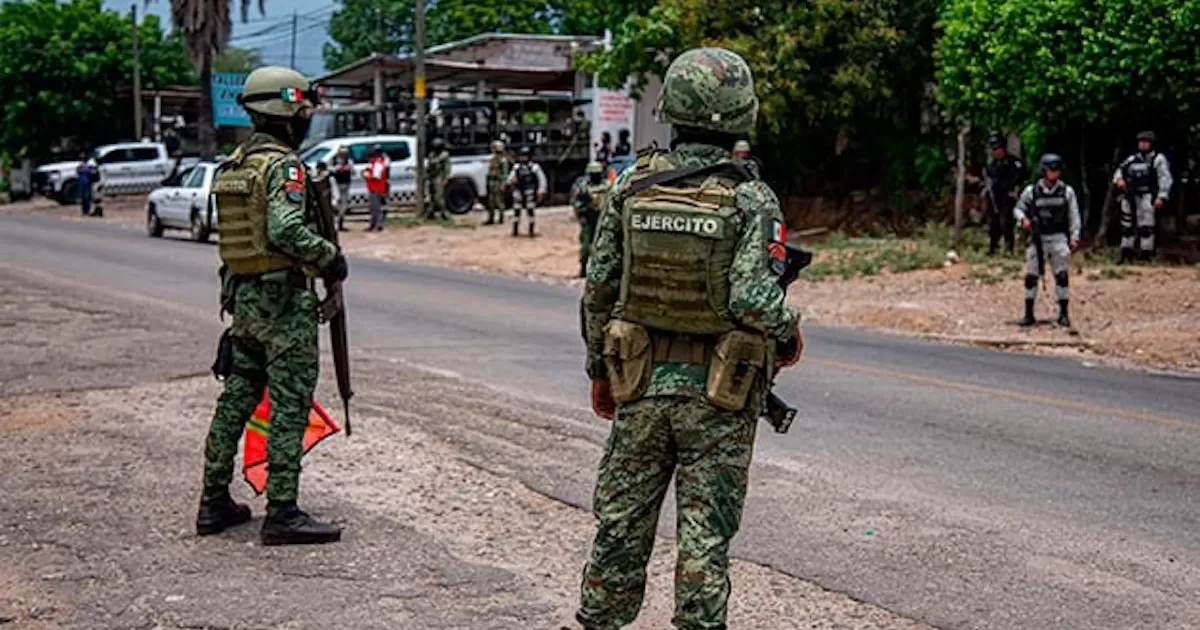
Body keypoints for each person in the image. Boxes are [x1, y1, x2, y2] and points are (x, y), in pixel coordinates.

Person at [576, 47, 802, 630]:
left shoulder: (631, 184)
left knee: (621, 522)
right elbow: (752, 298)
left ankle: (600, 621)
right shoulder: (751, 197)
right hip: (718, 398)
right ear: (741, 113)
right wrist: (790, 328)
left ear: (672, 107)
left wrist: (600, 373)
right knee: (704, 533)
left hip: (640, 384)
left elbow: (598, 290)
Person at [198, 66, 347, 546]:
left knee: (237, 396)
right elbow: (285, 229)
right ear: (288, 113)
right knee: (288, 404)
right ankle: (282, 511)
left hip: (243, 300)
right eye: (304, 111)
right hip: (283, 304)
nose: (306, 120)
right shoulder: (284, 166)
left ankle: (213, 501)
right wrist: (330, 258)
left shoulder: (234, 165)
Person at [1013, 153, 1080, 328]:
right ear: (1044, 171)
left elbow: (1074, 216)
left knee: (1062, 275)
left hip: (1058, 237)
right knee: (1031, 276)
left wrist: (1075, 237)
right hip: (1037, 237)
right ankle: (1028, 314)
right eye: (1051, 170)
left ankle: (1064, 314)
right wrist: (1024, 220)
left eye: (1057, 170)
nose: (1054, 173)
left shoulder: (1066, 191)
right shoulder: (1032, 191)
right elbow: (1018, 209)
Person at [1113, 130, 1172, 263]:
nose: (1143, 145)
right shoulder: (1132, 159)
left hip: (1147, 196)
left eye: (1146, 142)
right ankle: (1126, 253)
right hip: (1130, 195)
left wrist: (1162, 196)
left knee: (1146, 226)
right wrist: (1119, 180)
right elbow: (1119, 171)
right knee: (1126, 225)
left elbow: (1165, 178)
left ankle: (1146, 254)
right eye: (1141, 142)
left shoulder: (1158, 159)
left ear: (1151, 143)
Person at [982, 133, 1027, 256]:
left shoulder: (1013, 163)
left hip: (1007, 197)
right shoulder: (991, 165)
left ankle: (1009, 249)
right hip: (994, 197)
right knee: (993, 223)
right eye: (993, 149)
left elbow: (1021, 177)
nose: (995, 151)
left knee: (1006, 223)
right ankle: (993, 248)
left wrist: (1015, 189)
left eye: (997, 148)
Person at [570, 162, 611, 278]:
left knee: (604, 245)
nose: (595, 176)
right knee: (586, 247)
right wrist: (583, 211)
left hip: (603, 219)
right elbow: (576, 202)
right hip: (589, 219)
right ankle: (583, 268)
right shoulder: (584, 187)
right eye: (594, 174)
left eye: (597, 174)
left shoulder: (608, 185)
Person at [506, 146, 547, 237]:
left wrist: (541, 190)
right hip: (518, 190)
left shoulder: (534, 167)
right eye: (521, 156)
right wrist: (510, 182)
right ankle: (515, 229)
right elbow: (510, 178)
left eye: (525, 156)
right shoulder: (516, 167)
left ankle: (531, 230)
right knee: (516, 209)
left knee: (530, 209)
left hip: (529, 189)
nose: (523, 158)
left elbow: (542, 179)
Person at [485, 139, 512, 225]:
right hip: (492, 181)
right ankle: (491, 218)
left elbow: (505, 173)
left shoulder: (503, 160)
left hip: (498, 182)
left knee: (499, 201)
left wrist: (503, 184)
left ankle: (501, 218)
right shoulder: (492, 159)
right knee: (491, 201)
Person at [364, 144, 388, 231]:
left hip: (376, 188)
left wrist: (367, 175)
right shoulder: (375, 164)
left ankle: (378, 225)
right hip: (374, 188)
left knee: (376, 208)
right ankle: (374, 224)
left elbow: (376, 177)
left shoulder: (378, 164)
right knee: (373, 208)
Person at [426, 137, 451, 220]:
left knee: (438, 197)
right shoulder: (431, 154)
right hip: (431, 177)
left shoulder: (444, 155)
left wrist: (446, 178)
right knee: (432, 196)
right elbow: (429, 166)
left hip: (439, 177)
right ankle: (430, 213)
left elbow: (447, 168)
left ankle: (444, 213)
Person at [331, 147, 354, 231]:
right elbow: (330, 170)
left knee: (344, 204)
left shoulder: (349, 161)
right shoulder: (334, 160)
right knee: (336, 202)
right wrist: (338, 168)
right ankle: (334, 223)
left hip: (346, 184)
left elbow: (353, 171)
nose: (343, 155)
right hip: (336, 184)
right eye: (342, 153)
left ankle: (341, 222)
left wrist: (348, 168)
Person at [75, 152, 96, 217]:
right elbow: (78, 172)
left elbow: (92, 172)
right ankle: (84, 211)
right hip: (82, 182)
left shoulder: (89, 165)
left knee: (87, 197)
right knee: (84, 197)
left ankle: (86, 210)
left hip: (87, 182)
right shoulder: (80, 166)